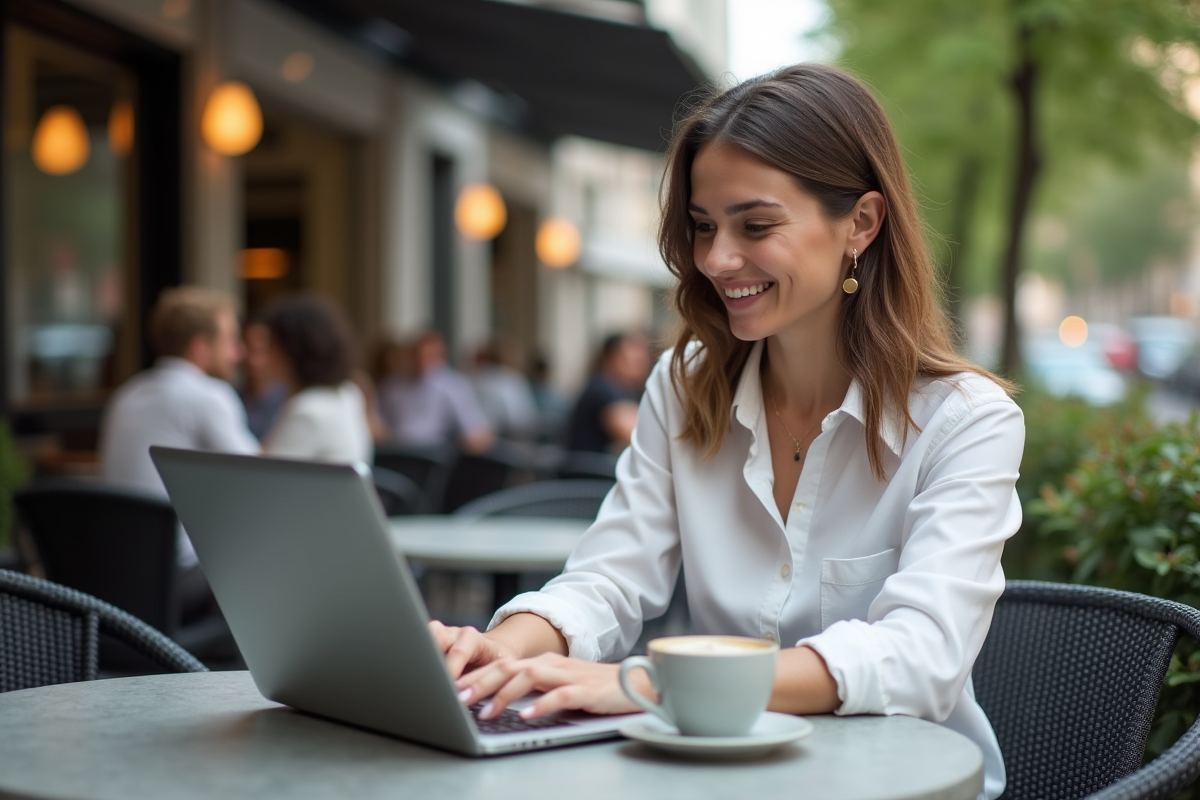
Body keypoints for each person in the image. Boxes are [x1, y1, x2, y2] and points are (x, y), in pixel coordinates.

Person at [431, 64, 1023, 800]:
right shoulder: (683, 387)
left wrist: (656, 685)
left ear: (862, 224)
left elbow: (920, 656)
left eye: (756, 225)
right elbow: (610, 577)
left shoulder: (967, 422)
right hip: (718, 780)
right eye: (704, 226)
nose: (715, 259)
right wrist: (496, 653)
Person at [99, 286, 259, 617]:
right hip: (176, 580)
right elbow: (262, 482)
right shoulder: (209, 395)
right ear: (200, 347)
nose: (239, 352)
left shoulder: (125, 395)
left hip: (114, 577)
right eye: (231, 340)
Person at [257, 294, 372, 464]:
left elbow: (264, 475)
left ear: (290, 351)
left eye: (270, 345)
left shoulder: (307, 412)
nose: (265, 356)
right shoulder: (348, 393)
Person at [378, 331, 494, 453]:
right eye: (418, 354)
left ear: (441, 356)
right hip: (397, 451)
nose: (422, 360)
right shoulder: (393, 385)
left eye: (428, 355)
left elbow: (476, 430)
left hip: (435, 453)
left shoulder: (453, 385)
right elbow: (381, 426)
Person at [564, 332, 652, 453]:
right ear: (612, 358)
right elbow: (638, 435)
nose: (642, 366)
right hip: (593, 464)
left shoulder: (625, 389)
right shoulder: (602, 389)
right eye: (634, 360)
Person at [469, 340, 539, 441]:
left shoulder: (473, 379)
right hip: (507, 439)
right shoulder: (514, 380)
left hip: (478, 438)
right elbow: (523, 419)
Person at [239, 319, 287, 441]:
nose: (251, 360)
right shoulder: (231, 396)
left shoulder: (287, 400)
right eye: (247, 349)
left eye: (258, 350)